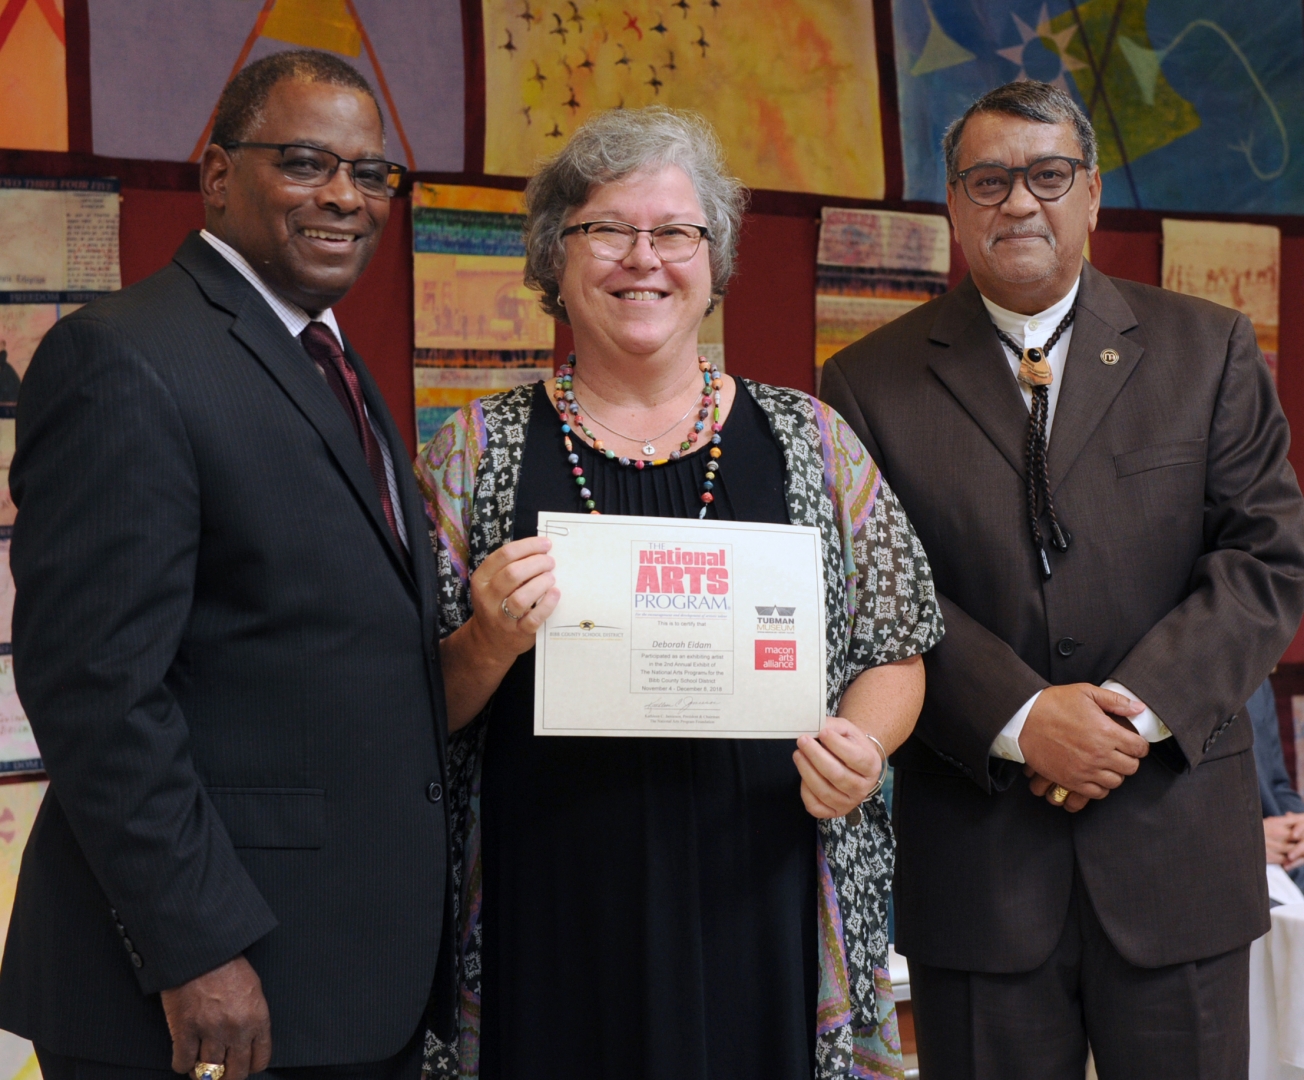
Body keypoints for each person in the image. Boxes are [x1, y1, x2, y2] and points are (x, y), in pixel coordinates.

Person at [414, 106, 943, 1080]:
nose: (642, 258)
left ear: (714, 259)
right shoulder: (474, 454)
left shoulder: (809, 442)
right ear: (554, 257)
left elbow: (896, 649)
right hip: (545, 910)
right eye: (606, 230)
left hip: (764, 896)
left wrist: (862, 748)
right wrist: (485, 640)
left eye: (674, 232)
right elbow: (405, 708)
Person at [819, 80, 1304, 1080]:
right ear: (954, 206)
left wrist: (1132, 712)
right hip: (979, 862)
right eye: (987, 180)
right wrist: (1023, 717)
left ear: (1090, 194)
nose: (1018, 202)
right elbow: (877, 596)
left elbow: (1265, 560)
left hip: (1175, 847)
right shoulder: (865, 382)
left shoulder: (1209, 348)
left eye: (1046, 175)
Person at [0, 50, 451, 1080]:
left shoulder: (325, 358)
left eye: (370, 172)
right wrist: (195, 946)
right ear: (215, 174)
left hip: (337, 981)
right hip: (199, 993)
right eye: (305, 162)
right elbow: (96, 689)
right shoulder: (125, 357)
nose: (345, 196)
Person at [1247, 679, 1304, 888]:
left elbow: (1277, 786)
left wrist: (1298, 828)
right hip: (1217, 866)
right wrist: (1243, 839)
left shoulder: (1257, 680)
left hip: (1283, 860)